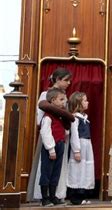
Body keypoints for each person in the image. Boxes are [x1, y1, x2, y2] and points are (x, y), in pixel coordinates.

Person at [27, 67, 74, 203]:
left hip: (61, 137)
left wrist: (65, 129)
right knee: (46, 167)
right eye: (66, 80)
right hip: (49, 136)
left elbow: (66, 118)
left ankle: (56, 195)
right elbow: (40, 119)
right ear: (58, 80)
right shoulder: (45, 95)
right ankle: (43, 196)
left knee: (58, 168)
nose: (69, 83)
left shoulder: (64, 97)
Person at [38, 88, 70, 206]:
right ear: (52, 100)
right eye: (61, 99)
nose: (64, 102)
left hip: (60, 145)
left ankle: (52, 196)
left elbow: (63, 130)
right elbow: (45, 133)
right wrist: (51, 149)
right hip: (51, 147)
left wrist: (65, 133)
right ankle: (44, 198)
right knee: (47, 171)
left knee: (56, 172)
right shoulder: (48, 117)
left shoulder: (60, 116)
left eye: (65, 99)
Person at [67, 92, 94, 205]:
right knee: (77, 169)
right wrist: (76, 150)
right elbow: (74, 135)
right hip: (79, 145)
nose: (87, 102)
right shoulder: (75, 118)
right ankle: (75, 196)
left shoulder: (85, 118)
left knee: (85, 169)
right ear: (78, 103)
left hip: (87, 145)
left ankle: (82, 193)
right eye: (85, 100)